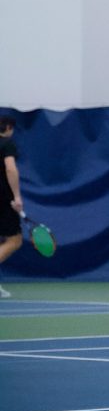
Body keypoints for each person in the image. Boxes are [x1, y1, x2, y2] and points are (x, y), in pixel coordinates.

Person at [0, 117, 24, 300]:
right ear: (8, 128)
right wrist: (16, 196)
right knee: (15, 240)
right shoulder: (7, 144)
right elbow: (10, 169)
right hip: (3, 199)